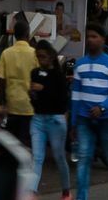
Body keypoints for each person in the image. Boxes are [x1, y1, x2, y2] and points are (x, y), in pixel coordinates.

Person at [71, 25, 108, 200]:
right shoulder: (80, 64)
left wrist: (102, 107)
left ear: (103, 39)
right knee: (84, 159)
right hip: (84, 120)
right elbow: (76, 95)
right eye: (88, 37)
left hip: (107, 119)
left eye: (94, 36)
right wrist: (73, 122)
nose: (90, 40)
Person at [30, 37, 73, 199]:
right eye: (38, 56)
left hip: (56, 120)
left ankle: (66, 190)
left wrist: (43, 89)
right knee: (37, 157)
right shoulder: (34, 73)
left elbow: (62, 100)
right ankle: (31, 191)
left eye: (43, 56)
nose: (40, 60)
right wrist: (32, 93)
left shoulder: (58, 76)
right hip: (38, 119)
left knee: (59, 156)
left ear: (50, 56)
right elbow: (35, 99)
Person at [0, 15, 39, 146]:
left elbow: (0, 82)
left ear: (14, 35)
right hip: (30, 107)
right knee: (28, 142)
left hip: (12, 107)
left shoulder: (6, 53)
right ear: (28, 34)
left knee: (13, 144)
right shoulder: (35, 54)